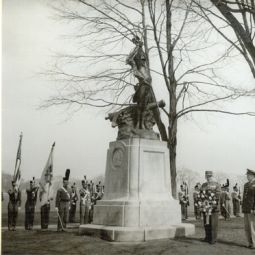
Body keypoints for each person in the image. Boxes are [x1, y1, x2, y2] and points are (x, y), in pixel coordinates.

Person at [201, 171, 221, 244]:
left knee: (213, 224)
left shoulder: (217, 184)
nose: (208, 178)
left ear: (212, 176)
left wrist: (213, 204)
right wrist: (203, 203)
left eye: (209, 176)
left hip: (214, 207)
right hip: (205, 207)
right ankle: (207, 237)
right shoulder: (203, 185)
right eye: (207, 176)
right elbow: (201, 194)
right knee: (206, 223)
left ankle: (213, 239)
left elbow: (218, 195)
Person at [242, 168, 255, 249]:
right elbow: (244, 197)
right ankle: (250, 242)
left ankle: (254, 243)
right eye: (247, 175)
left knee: (252, 227)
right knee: (247, 227)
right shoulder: (246, 184)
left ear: (252, 175)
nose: (247, 176)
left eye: (248, 175)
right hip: (246, 208)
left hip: (252, 208)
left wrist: (254, 208)